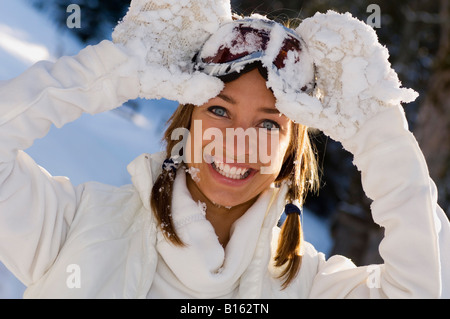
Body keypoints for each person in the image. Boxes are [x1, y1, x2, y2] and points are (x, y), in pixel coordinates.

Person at [0, 0, 448, 299]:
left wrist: (375, 129)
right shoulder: (73, 228)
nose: (238, 141)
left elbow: (429, 285)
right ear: (186, 121)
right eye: (218, 112)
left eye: (269, 123)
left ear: (292, 149)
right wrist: (119, 71)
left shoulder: (309, 287)